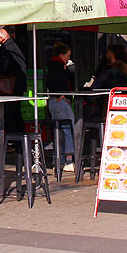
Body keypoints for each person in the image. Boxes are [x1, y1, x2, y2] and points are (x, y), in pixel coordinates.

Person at [45, 42, 75, 171]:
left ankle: (58, 159)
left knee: (58, 131)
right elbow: (60, 82)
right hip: (60, 100)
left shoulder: (52, 64)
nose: (68, 58)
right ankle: (69, 160)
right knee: (68, 129)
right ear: (61, 55)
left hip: (53, 101)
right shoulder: (58, 66)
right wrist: (62, 95)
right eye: (67, 56)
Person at [0, 28, 28, 134]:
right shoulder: (17, 46)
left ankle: (13, 138)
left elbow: (5, 68)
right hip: (18, 85)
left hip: (10, 87)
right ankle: (20, 138)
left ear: (1, 38)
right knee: (16, 112)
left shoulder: (7, 50)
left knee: (10, 114)